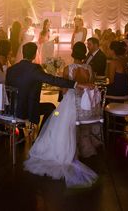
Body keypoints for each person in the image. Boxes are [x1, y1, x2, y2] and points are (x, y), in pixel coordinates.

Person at [24, 42, 98, 188]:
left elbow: (64, 91)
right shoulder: (89, 68)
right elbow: (90, 86)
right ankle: (84, 147)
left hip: (72, 105)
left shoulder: (68, 68)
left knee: (57, 117)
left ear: (72, 53)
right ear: (84, 53)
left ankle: (68, 149)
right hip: (87, 109)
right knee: (61, 116)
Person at [5, 42, 91, 130]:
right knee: (51, 107)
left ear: (23, 53)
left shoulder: (11, 69)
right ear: (34, 55)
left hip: (10, 110)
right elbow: (53, 80)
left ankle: (20, 132)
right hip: (27, 111)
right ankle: (41, 134)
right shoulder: (34, 69)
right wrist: (75, 84)